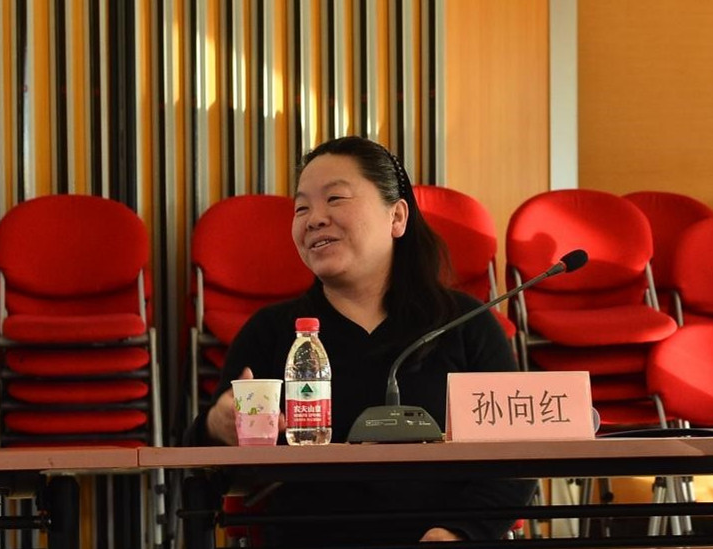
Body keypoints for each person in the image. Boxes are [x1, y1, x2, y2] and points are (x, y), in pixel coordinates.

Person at [185, 135, 536, 546]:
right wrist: (214, 429)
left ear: (397, 217)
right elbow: (213, 474)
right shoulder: (271, 332)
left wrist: (458, 533)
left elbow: (517, 458)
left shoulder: (466, 324)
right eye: (301, 208)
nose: (314, 219)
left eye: (335, 199)